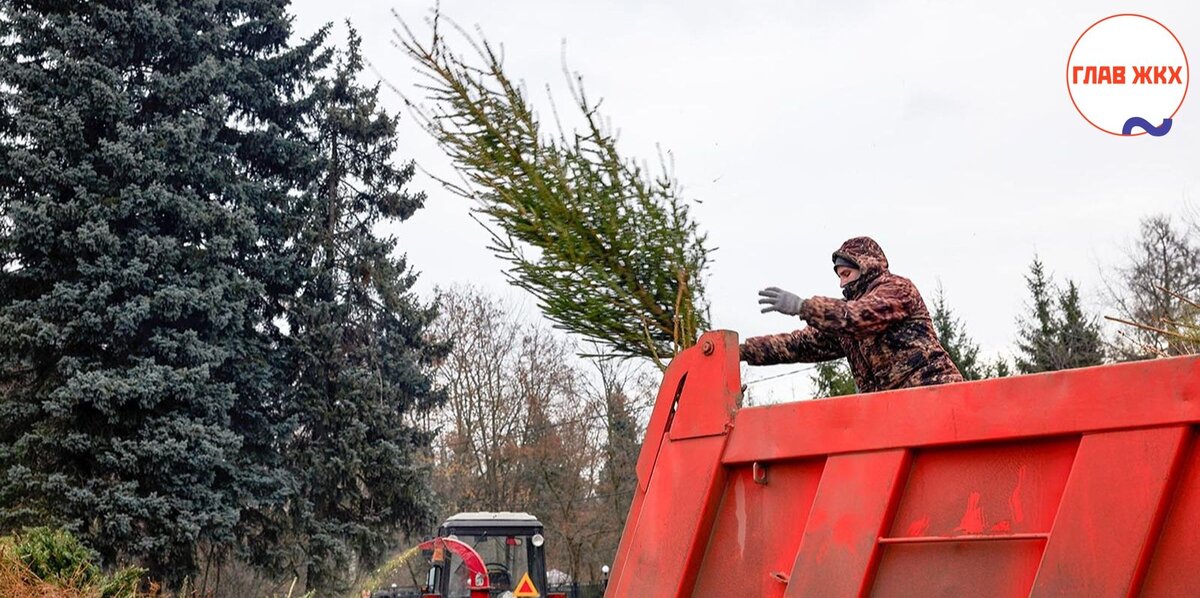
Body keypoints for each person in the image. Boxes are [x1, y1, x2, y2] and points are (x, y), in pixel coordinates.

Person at [741, 236, 963, 393]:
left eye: (846, 274)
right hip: (893, 411)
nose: (841, 283)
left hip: (936, 394)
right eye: (839, 276)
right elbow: (800, 344)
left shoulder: (897, 290)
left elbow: (859, 316)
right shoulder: (843, 320)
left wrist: (803, 307)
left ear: (865, 266)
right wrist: (740, 352)